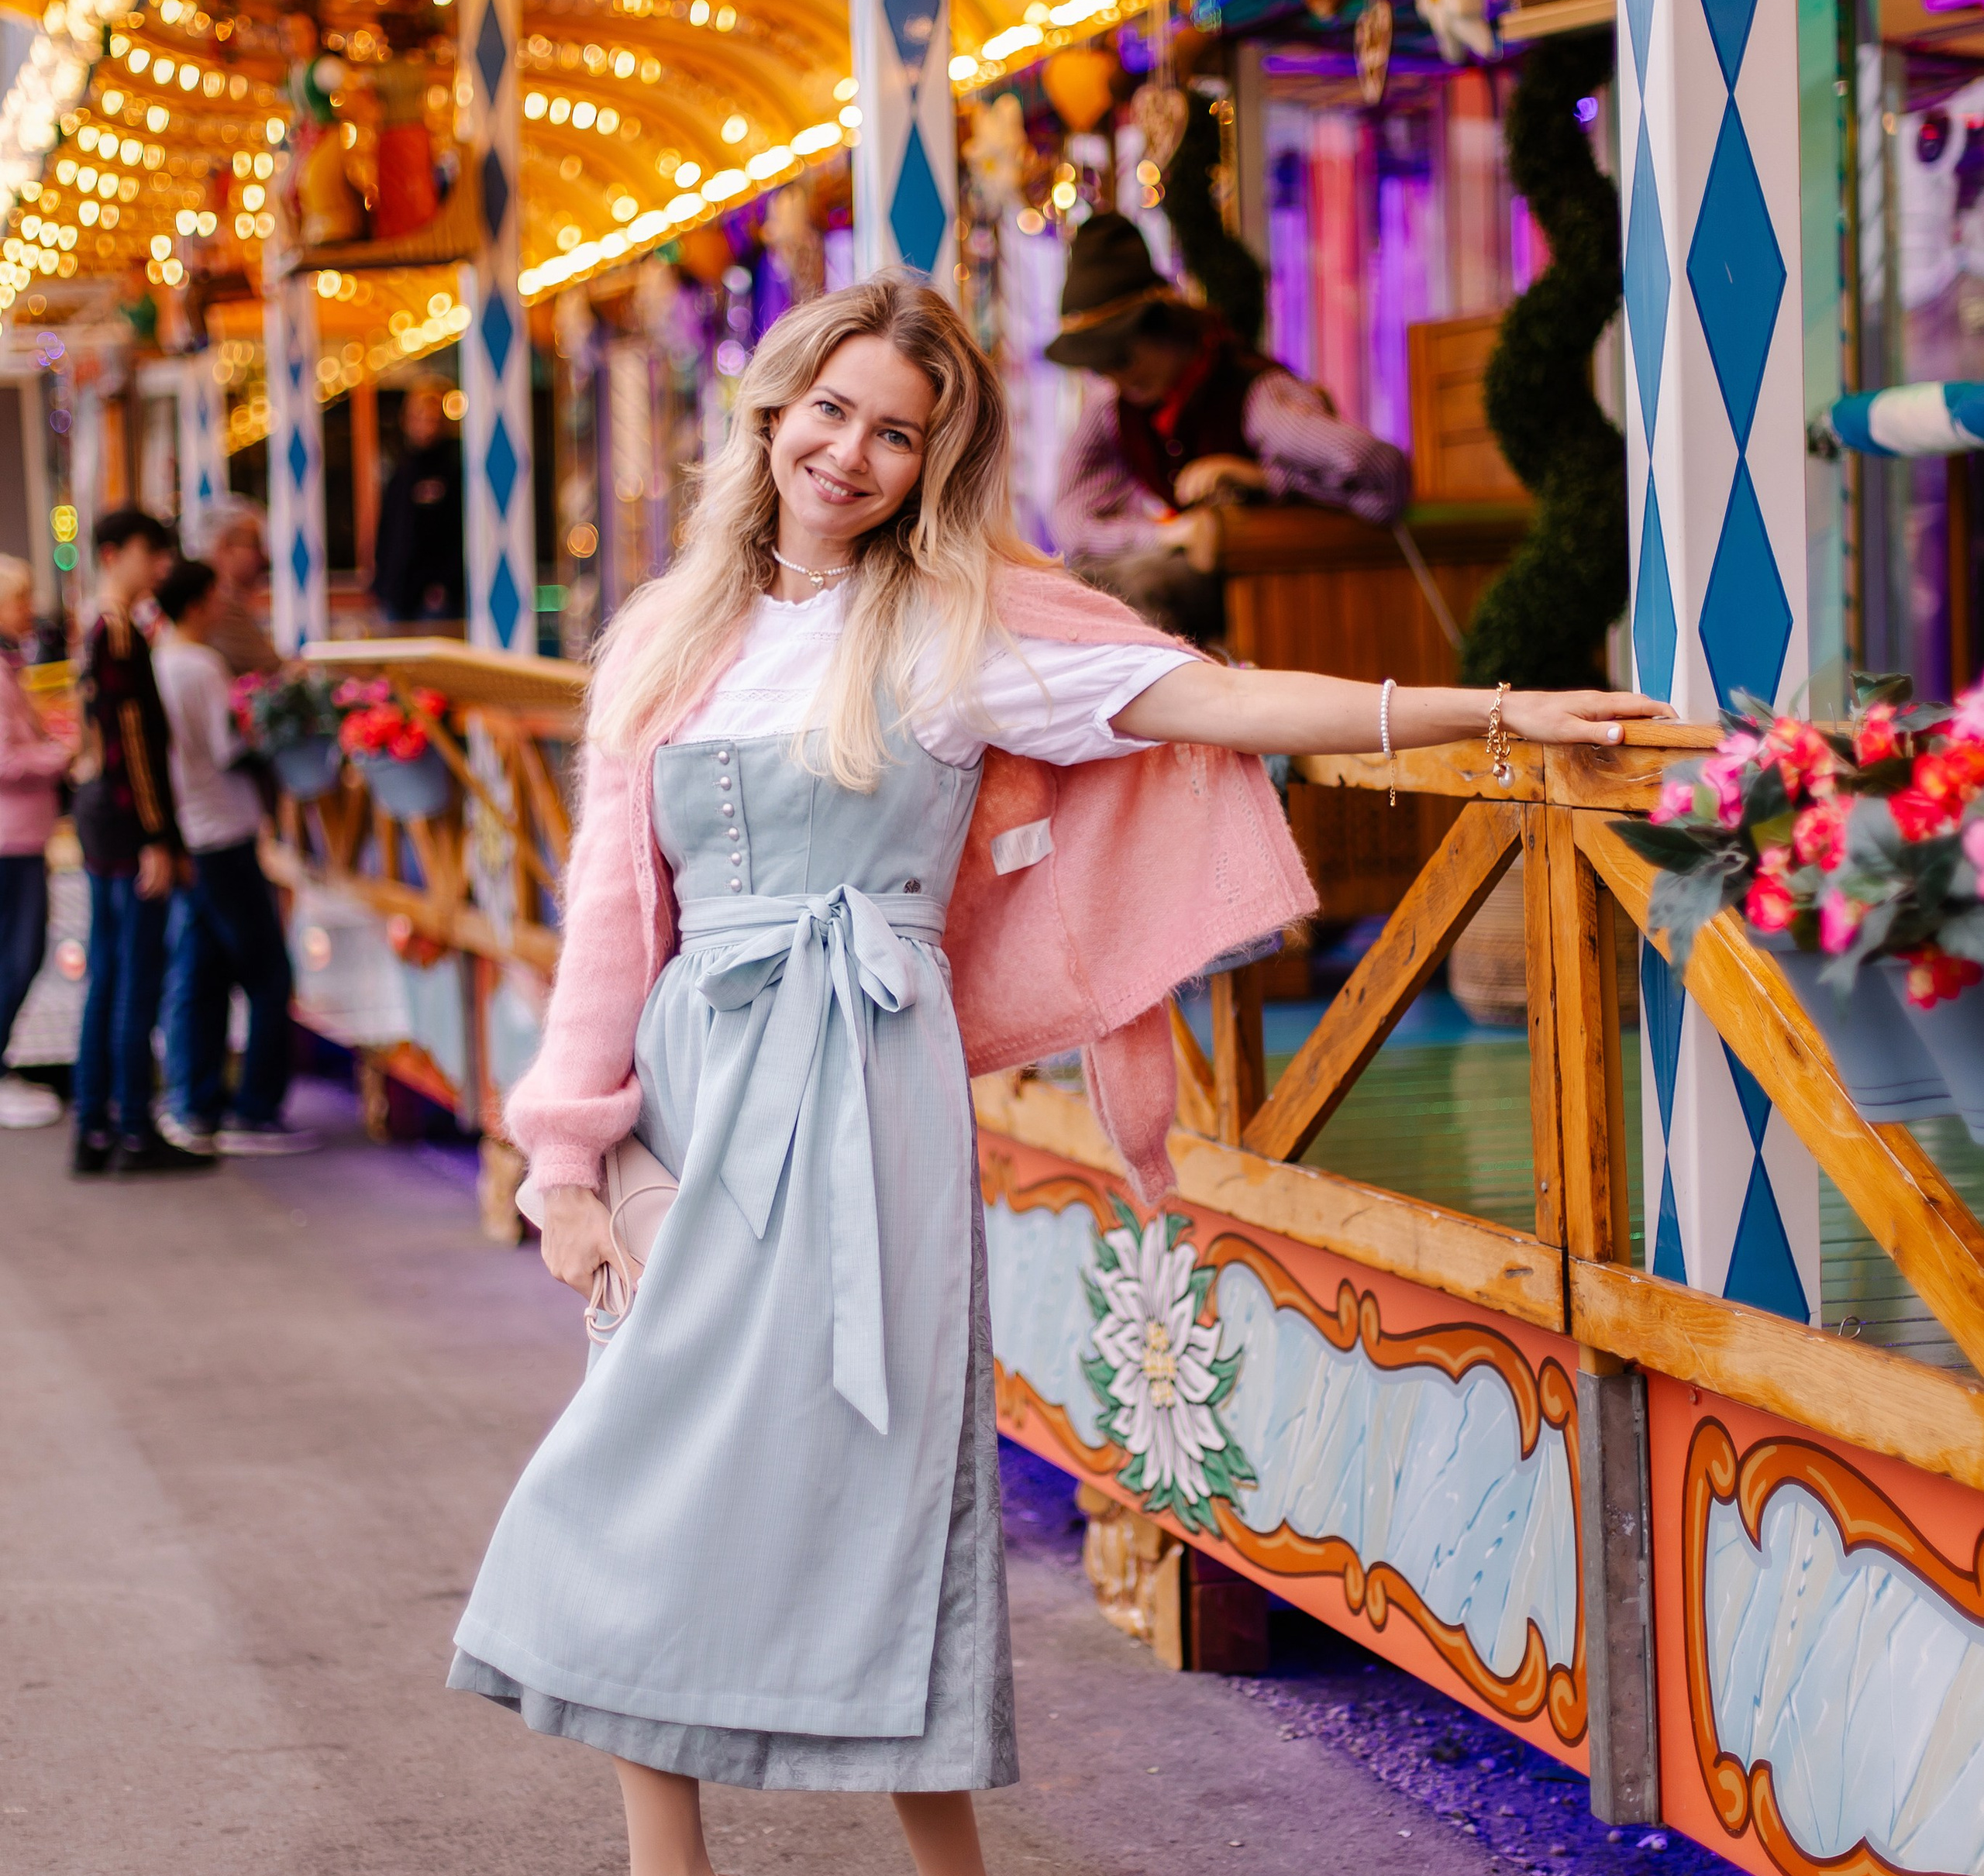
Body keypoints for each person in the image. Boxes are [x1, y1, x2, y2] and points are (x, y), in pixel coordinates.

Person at [447, 274, 1667, 1876]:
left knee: (884, 1474)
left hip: (868, 1086)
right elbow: (612, 916)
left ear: (932, 466)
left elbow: (1221, 698)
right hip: (685, 1092)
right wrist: (566, 1158)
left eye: (898, 432)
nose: (850, 453)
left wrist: (1495, 705)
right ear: (773, 409)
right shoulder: (667, 638)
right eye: (831, 409)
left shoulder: (968, 632)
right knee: (636, 1461)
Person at [1048, 212, 1410, 645]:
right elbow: (1071, 523)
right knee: (1070, 591)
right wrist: (1168, 534)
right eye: (1100, 367)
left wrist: (1261, 478)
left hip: (1291, 597)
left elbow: (1384, 477)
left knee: (1137, 592)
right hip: (1202, 584)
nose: (1115, 377)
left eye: (1122, 359)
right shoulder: (1114, 405)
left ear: (1166, 328)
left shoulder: (1257, 398)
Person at [151, 559, 315, 1158]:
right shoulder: (200, 665)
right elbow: (230, 746)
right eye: (215, 597)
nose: (223, 606)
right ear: (196, 604)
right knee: (268, 974)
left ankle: (194, 1101)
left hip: (193, 828)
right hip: (223, 829)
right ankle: (255, 1107)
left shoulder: (160, 660)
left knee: (201, 970)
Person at [71, 509, 215, 1176]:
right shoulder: (120, 632)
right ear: (115, 554)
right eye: (150, 555)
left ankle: (95, 1125)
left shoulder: (97, 628)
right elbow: (135, 746)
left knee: (107, 976)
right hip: (129, 827)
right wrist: (159, 836)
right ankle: (132, 1124)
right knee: (133, 978)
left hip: (103, 820)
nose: (160, 568)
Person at [0, 554, 71, 1130]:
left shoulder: (11, 667)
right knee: (17, 955)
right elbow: (4, 759)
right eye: (20, 599)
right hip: (10, 839)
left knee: (19, 954)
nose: (30, 610)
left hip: (20, 835)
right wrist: (63, 754)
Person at [372, 374, 464, 625]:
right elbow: (388, 531)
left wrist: (445, 585)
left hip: (434, 599)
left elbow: (459, 533)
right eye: (419, 416)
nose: (426, 424)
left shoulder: (453, 470)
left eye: (432, 417)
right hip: (397, 594)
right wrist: (381, 584)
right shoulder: (401, 472)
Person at [189, 494, 281, 680]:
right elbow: (272, 670)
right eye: (255, 544)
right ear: (225, 546)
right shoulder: (218, 605)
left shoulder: (223, 600)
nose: (264, 557)